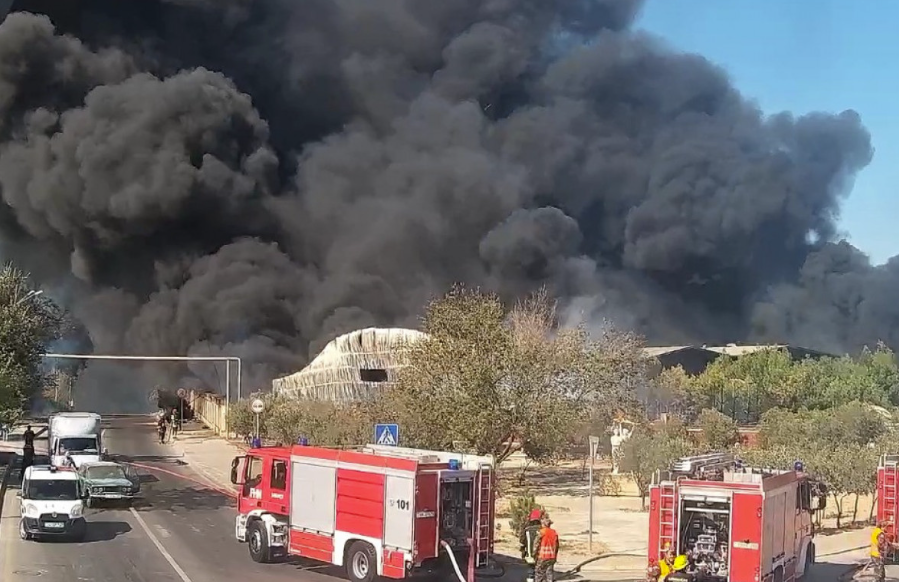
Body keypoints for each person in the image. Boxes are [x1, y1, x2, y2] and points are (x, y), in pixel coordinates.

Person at [533, 516, 559, 582]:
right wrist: (555, 557)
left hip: (542, 557)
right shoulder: (554, 533)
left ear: (543, 524)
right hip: (551, 557)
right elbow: (557, 546)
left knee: (539, 574)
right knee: (549, 574)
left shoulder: (542, 532)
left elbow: (536, 545)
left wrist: (534, 555)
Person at [520, 509, 543, 582]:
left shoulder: (527, 530)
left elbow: (522, 542)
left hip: (530, 555)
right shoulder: (542, 530)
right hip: (541, 556)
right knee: (540, 573)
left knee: (530, 573)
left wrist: (523, 554)